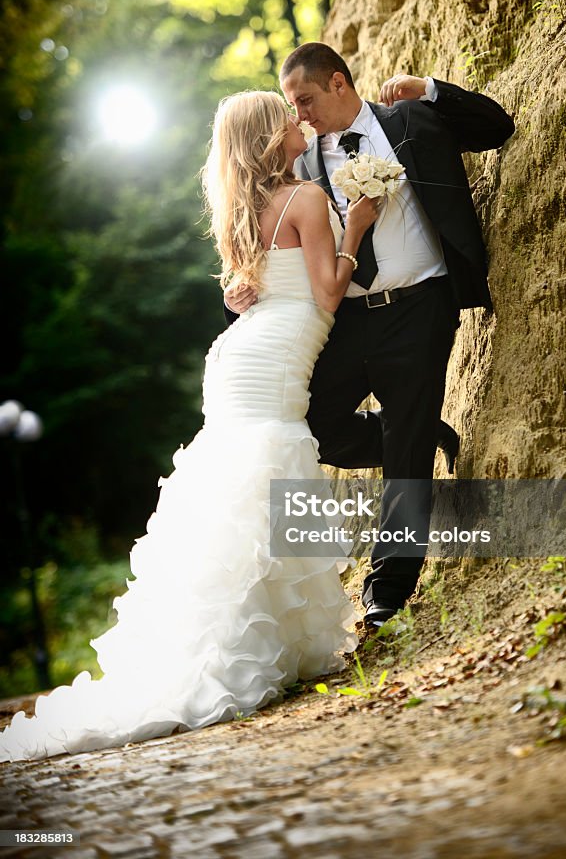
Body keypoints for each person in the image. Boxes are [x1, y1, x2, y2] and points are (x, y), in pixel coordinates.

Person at [0, 90, 378, 763]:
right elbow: (326, 293)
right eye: (285, 117)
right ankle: (246, 644)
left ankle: (245, 637)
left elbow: (245, 292)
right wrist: (360, 227)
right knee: (264, 468)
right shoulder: (309, 201)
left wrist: (246, 292)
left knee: (237, 482)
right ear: (268, 135)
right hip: (273, 348)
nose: (299, 123)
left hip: (240, 354)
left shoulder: (244, 208)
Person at [225, 44, 515, 629]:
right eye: (291, 107)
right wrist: (238, 290)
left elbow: (496, 128)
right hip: (345, 317)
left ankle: (387, 588)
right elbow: (262, 232)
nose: (300, 116)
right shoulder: (300, 164)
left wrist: (431, 88)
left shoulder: (407, 122)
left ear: (337, 83)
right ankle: (419, 431)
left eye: (305, 100)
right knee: (315, 429)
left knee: (405, 456)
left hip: (420, 306)